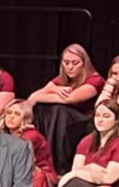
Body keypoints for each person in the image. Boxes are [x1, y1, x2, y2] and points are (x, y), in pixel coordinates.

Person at [28, 43, 105, 173]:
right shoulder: (62, 79)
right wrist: (53, 88)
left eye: (75, 63)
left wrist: (49, 92)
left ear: (84, 63)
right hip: (63, 124)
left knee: (59, 110)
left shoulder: (95, 79)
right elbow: (32, 98)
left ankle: (58, 162)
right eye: (66, 62)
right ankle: (42, 156)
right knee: (41, 109)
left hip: (87, 123)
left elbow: (71, 99)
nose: (70, 67)